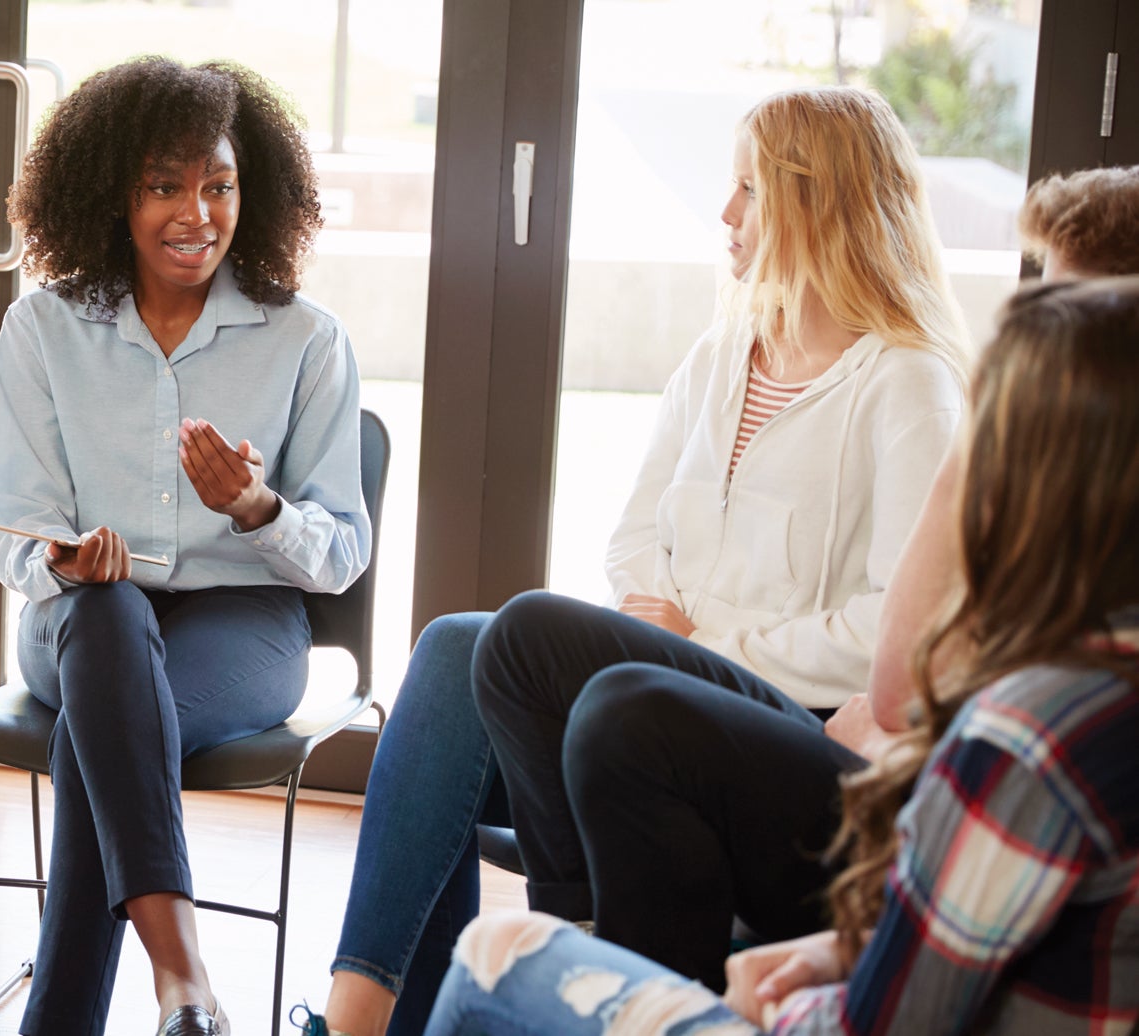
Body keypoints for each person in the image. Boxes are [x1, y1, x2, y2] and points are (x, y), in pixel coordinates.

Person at [305, 86, 968, 1035]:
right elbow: (631, 538)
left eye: (751, 191)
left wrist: (708, 640)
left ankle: (563, 950)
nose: (727, 216)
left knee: (527, 627)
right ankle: (360, 1019)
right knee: (455, 648)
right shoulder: (721, 352)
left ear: (822, 206)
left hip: (789, 727)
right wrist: (655, 623)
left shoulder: (907, 382)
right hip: (654, 696)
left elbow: (892, 632)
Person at [423, 274, 1139, 1036]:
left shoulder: (1028, 737)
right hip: (884, 812)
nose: (730, 216)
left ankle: (588, 983)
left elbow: (887, 1020)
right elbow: (633, 543)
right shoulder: (1075, 680)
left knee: (502, 949)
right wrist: (839, 954)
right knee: (519, 639)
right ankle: (595, 953)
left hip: (851, 769)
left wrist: (776, 1002)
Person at [0, 56, 369, 1036]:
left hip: (244, 625)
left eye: (220, 184)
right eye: (165, 185)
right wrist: (63, 562)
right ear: (115, 193)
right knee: (108, 626)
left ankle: (83, 1015)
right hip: (79, 618)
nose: (198, 212)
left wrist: (258, 508)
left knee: (97, 733)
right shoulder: (41, 329)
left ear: (253, 189)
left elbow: (341, 550)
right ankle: (183, 982)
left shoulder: (306, 341)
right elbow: (11, 519)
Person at [833, 163, 1139, 760]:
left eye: (1063, 312)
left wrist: (879, 749)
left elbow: (899, 699)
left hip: (928, 786)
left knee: (634, 714)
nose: (1036, 335)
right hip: (926, 763)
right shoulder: (1049, 465)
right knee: (605, 662)